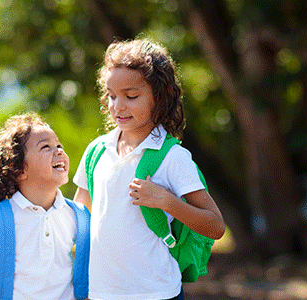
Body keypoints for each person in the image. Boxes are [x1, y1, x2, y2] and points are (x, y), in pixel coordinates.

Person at [72, 39, 226, 300]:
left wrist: (166, 202)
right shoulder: (97, 151)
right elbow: (78, 217)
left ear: (162, 94)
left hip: (156, 293)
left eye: (131, 96)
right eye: (111, 95)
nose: (118, 106)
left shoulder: (173, 158)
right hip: (101, 293)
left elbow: (216, 227)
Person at [0, 113, 89, 300]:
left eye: (59, 145)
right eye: (46, 146)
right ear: (19, 169)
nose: (59, 151)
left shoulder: (78, 215)